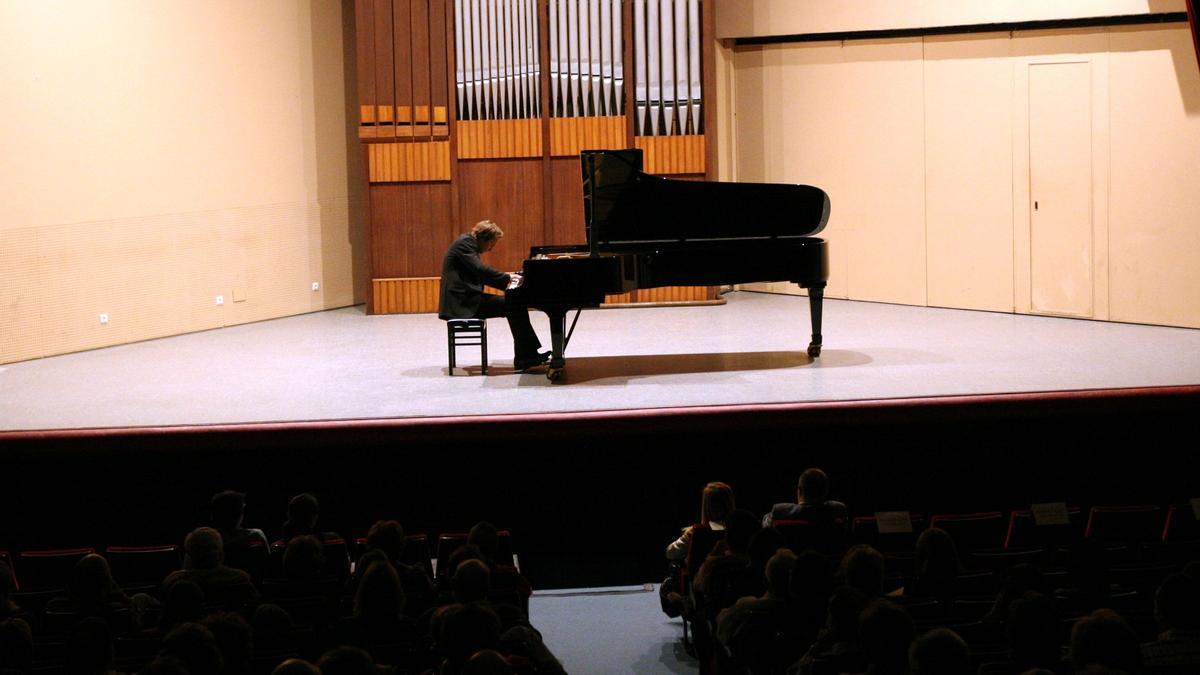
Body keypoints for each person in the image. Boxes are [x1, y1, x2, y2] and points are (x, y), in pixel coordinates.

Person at [439, 220, 547, 371]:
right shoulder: (464, 245)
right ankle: (526, 357)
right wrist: (509, 280)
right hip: (462, 304)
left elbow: (481, 274)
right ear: (485, 239)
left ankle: (527, 356)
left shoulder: (467, 243)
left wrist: (508, 282)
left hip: (467, 299)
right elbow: (481, 270)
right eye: (492, 244)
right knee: (514, 304)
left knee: (514, 303)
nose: (491, 249)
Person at [763, 467, 848, 528]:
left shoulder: (780, 511)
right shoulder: (838, 510)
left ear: (799, 490)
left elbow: (766, 527)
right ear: (826, 491)